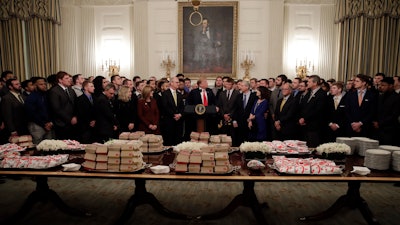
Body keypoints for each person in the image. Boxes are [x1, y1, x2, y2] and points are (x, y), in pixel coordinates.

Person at [298, 75, 328, 148]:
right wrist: (301, 117)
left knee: (313, 147)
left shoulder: (322, 94)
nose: (307, 83)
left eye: (309, 81)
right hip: (305, 125)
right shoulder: (308, 93)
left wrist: (305, 118)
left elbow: (318, 110)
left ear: (315, 83)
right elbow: (302, 106)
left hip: (315, 125)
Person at [345, 74, 377, 138]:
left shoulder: (372, 95)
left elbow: (372, 112)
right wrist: (353, 124)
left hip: (365, 128)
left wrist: (360, 123)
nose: (354, 83)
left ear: (364, 83)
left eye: (357, 81)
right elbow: (347, 111)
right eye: (354, 81)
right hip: (351, 127)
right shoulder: (350, 95)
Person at [48, 71, 77, 140]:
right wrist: (70, 119)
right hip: (61, 123)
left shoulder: (71, 90)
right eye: (66, 78)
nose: (69, 80)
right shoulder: (54, 91)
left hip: (73, 122)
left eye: (69, 78)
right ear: (60, 80)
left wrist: (75, 116)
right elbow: (56, 108)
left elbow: (75, 104)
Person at [25, 77, 54, 144]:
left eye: (45, 84)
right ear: (35, 86)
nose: (44, 86)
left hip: (49, 124)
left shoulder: (46, 95)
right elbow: (31, 113)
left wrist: (50, 122)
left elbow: (50, 110)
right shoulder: (31, 97)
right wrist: (44, 124)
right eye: (41, 84)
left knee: (49, 146)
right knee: (38, 147)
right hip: (37, 125)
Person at [374, 77, 400, 145]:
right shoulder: (380, 96)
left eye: (383, 85)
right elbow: (376, 111)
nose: (381, 87)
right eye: (380, 85)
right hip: (377, 129)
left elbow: (394, 115)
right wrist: (375, 121)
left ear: (391, 85)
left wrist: (380, 123)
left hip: (389, 130)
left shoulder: (397, 98)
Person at [232, 80, 257, 146]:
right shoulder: (238, 96)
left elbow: (255, 109)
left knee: (249, 141)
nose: (240, 87)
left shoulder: (254, 96)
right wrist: (234, 120)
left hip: (250, 121)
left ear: (247, 87)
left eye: (242, 86)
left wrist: (251, 119)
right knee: (240, 140)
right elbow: (235, 109)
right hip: (240, 122)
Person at [161, 77, 185, 146]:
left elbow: (182, 107)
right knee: (169, 141)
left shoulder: (179, 94)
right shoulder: (165, 94)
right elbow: (165, 107)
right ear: (171, 83)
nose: (178, 84)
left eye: (178, 82)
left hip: (178, 121)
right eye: (176, 82)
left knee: (178, 141)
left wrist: (180, 114)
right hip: (169, 120)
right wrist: (174, 115)